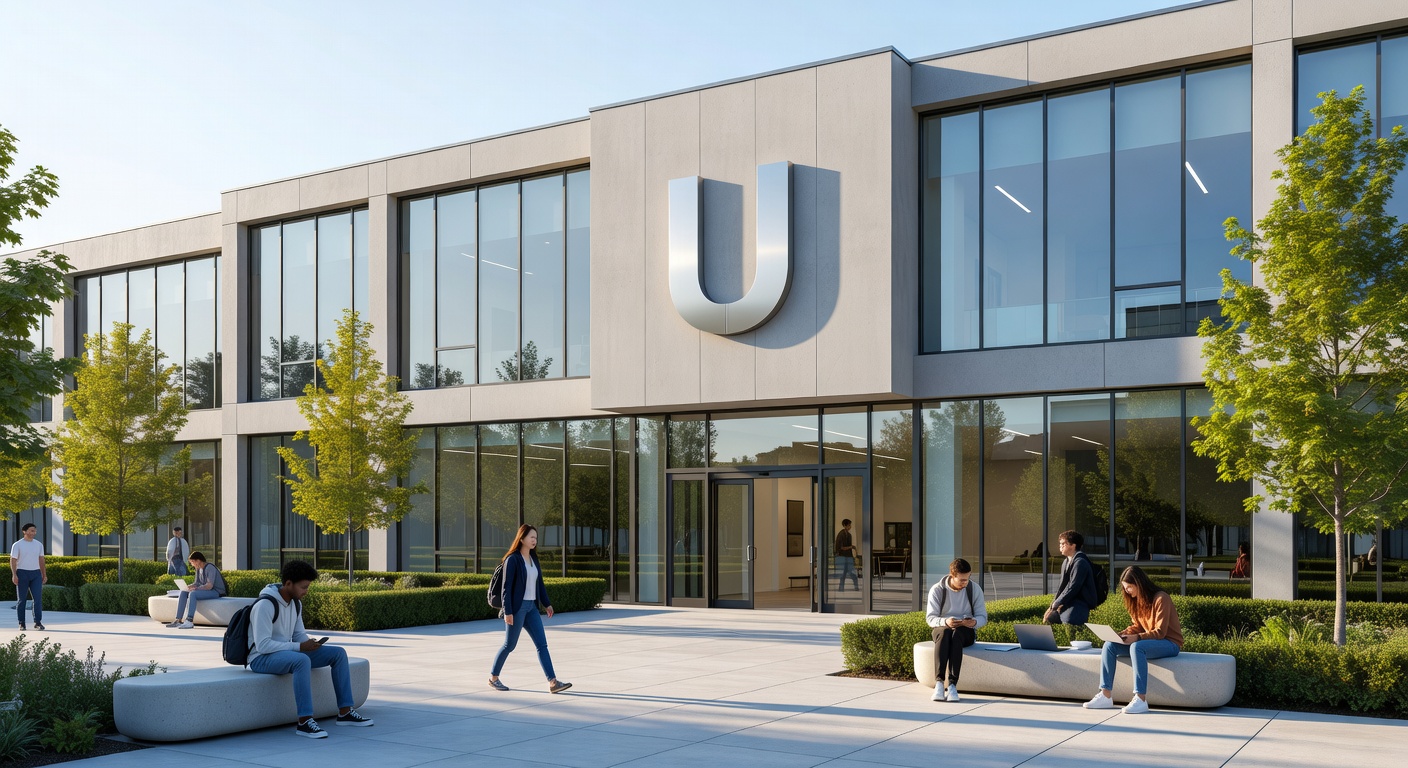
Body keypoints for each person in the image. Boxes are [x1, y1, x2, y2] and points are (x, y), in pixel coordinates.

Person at [248, 560, 373, 738]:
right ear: (288, 583)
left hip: (285, 653)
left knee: (338, 653)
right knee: (301, 660)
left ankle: (345, 712)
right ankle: (304, 722)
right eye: (303, 587)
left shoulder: (295, 603)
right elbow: (263, 645)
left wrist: (310, 644)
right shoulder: (265, 605)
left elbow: (298, 635)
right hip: (261, 658)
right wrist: (299, 647)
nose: (306, 591)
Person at [1082, 565, 1183, 715]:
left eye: (1129, 587)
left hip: (1170, 643)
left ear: (1139, 584)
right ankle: (1105, 695)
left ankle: (1140, 699)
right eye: (1125, 588)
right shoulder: (1136, 601)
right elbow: (1138, 626)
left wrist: (1137, 638)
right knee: (1109, 645)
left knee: (1137, 647)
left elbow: (1160, 632)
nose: (1127, 591)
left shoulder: (1161, 598)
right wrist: (1121, 635)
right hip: (1148, 641)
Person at [489, 524, 571, 694]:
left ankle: (553, 682)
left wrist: (547, 603)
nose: (534, 540)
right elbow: (506, 588)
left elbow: (539, 584)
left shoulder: (533, 560)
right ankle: (493, 678)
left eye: (536, 537)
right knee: (509, 645)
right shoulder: (513, 559)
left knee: (542, 644)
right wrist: (508, 612)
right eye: (531, 537)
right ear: (522, 538)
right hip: (517, 609)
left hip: (531, 607)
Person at [925, 558, 987, 703]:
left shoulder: (974, 589)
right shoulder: (937, 590)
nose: (965, 583)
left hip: (965, 631)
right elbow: (930, 618)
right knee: (946, 632)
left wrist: (974, 622)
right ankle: (939, 683)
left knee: (957, 634)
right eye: (962, 580)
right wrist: (945, 621)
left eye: (967, 578)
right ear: (952, 575)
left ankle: (952, 685)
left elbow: (983, 617)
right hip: (942, 628)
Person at [1043, 530, 1096, 627]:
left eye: (1063, 544)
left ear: (1073, 545)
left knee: (1069, 621)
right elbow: (1062, 587)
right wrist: (1052, 606)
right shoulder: (1066, 562)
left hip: (1080, 603)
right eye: (1060, 544)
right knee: (1050, 619)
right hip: (1069, 601)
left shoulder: (1081, 562)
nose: (1060, 546)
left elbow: (1074, 586)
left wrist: (1058, 602)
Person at [169, 551, 226, 629]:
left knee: (193, 594)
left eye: (192, 562)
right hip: (207, 590)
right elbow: (197, 582)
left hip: (216, 591)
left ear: (198, 560)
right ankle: (178, 620)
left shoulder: (210, 567)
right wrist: (188, 587)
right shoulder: (198, 569)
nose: (192, 564)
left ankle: (189, 621)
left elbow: (209, 585)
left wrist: (196, 589)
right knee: (183, 592)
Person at [10, 523, 46, 631]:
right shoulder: (17, 545)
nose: (33, 533)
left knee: (38, 599)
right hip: (22, 573)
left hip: (36, 574)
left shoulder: (39, 545)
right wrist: (14, 574)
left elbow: (41, 560)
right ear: (24, 531)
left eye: (34, 531)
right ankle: (22, 623)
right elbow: (13, 560)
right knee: (22, 600)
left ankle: (38, 622)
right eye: (31, 531)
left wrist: (44, 574)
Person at [834, 518, 860, 592]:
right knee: (845, 573)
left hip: (848, 557)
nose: (850, 526)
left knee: (847, 573)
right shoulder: (841, 535)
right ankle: (842, 588)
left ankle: (847, 587)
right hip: (842, 557)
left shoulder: (849, 535)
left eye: (850, 525)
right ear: (845, 526)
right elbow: (841, 548)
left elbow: (847, 548)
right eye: (849, 525)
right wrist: (851, 547)